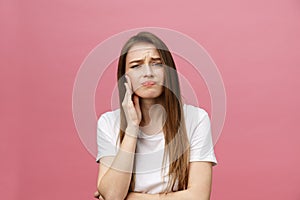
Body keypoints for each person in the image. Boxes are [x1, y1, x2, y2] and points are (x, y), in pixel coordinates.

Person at [94, 31, 217, 200]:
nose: (148, 73)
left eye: (157, 64)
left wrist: (130, 198)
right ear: (124, 77)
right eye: (136, 66)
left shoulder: (196, 119)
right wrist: (131, 129)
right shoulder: (108, 123)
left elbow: (199, 197)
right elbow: (113, 196)